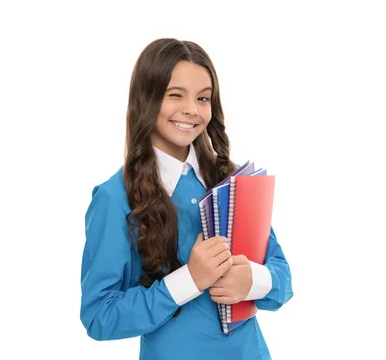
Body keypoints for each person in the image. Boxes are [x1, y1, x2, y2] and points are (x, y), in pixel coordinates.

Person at [79, 38, 293, 360]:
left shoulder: (229, 178)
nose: (192, 109)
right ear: (146, 98)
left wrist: (253, 280)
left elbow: (283, 279)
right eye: (174, 94)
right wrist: (188, 281)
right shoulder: (114, 198)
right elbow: (99, 316)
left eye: (203, 98)